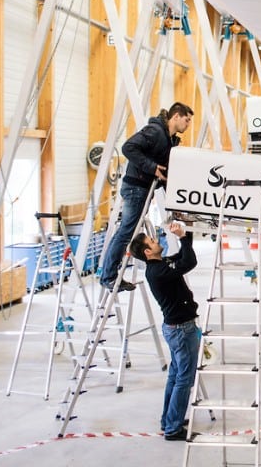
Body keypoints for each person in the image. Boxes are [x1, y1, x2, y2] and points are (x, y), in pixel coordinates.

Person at [100, 102, 194, 292]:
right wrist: (151, 168)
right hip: (135, 188)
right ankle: (109, 276)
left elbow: (165, 173)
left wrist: (175, 203)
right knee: (126, 232)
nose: (188, 124)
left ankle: (109, 274)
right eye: (187, 120)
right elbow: (128, 148)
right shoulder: (155, 132)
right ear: (176, 116)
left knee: (127, 231)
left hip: (143, 189)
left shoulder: (169, 139)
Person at [129, 221, 198, 442]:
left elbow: (180, 257)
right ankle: (173, 428)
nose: (156, 240)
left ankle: (169, 419)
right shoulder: (158, 271)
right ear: (148, 252)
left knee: (175, 375)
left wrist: (186, 235)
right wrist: (183, 237)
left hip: (176, 328)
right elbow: (189, 262)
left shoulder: (160, 265)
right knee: (184, 379)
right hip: (181, 329)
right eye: (152, 241)